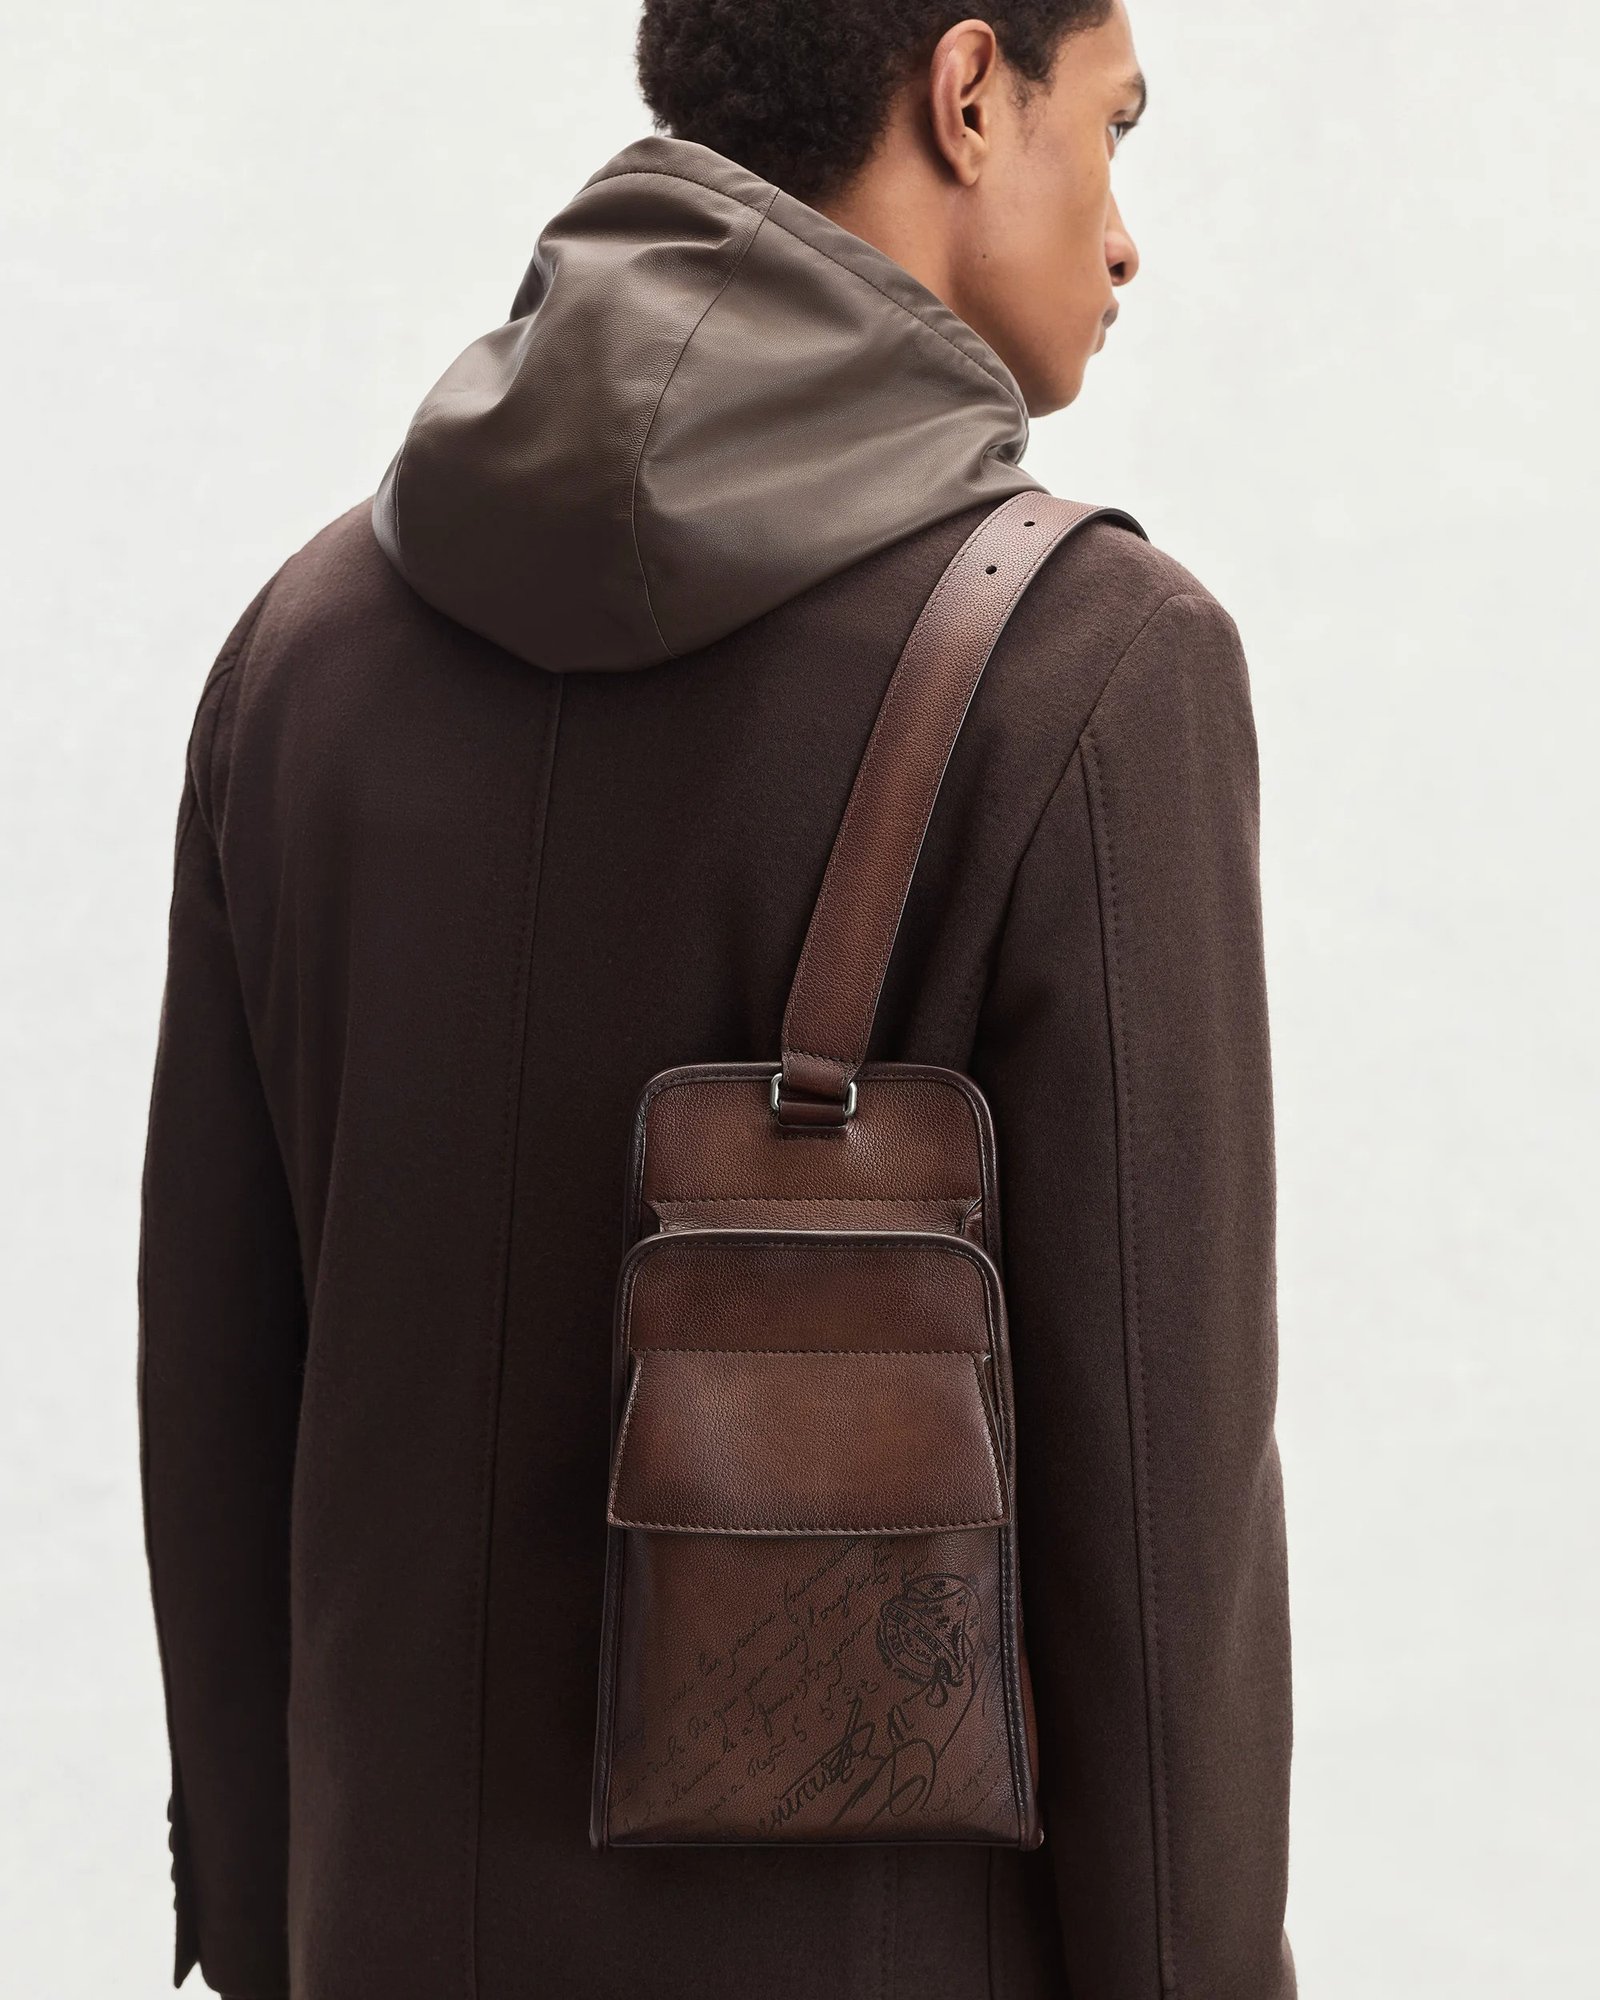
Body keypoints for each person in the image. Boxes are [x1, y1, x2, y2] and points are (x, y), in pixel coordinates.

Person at [137, 2, 1295, 1994]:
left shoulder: (300, 655)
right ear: (966, 96)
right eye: (1112, 128)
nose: (1123, 235)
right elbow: (1154, 1527)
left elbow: (218, 1388)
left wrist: (268, 1931)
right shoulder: (1098, 667)